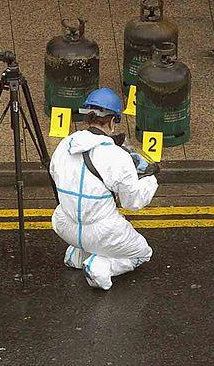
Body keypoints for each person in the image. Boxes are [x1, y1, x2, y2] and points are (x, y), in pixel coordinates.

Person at [49, 87, 160, 291]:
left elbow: (56, 176)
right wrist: (150, 180)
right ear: (111, 121)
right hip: (102, 233)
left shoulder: (64, 145)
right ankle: (99, 266)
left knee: (84, 224)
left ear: (86, 118)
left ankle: (77, 254)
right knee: (143, 253)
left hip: (64, 226)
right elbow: (133, 203)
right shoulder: (116, 156)